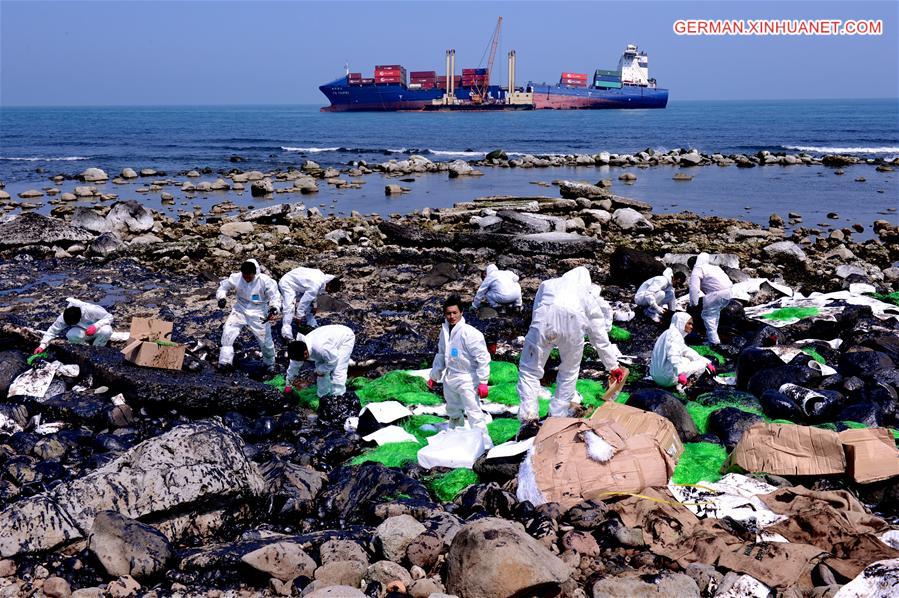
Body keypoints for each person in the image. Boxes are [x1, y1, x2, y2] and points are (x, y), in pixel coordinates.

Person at [517, 267, 626, 425]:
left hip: (543, 322)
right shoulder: (587, 297)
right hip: (573, 327)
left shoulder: (548, 284)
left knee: (529, 370)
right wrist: (613, 366)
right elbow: (599, 335)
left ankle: (528, 417)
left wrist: (538, 338)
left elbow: (536, 310)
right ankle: (556, 417)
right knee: (568, 372)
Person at [428, 294, 492, 445]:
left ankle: (484, 444)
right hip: (450, 378)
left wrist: (483, 381)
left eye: (454, 313)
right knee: (453, 411)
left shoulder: (470, 333)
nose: (451, 316)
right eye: (448, 313)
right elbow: (441, 354)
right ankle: (456, 440)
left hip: (467, 379)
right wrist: (434, 376)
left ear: (461, 312)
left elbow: (483, 357)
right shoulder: (444, 332)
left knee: (474, 412)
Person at [216, 259, 281, 371]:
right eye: (244, 276)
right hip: (240, 309)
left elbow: (275, 296)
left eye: (249, 277)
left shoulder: (265, 281)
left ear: (254, 273)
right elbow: (223, 287)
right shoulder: (236, 278)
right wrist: (221, 297)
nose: (246, 279)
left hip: (259, 311)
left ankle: (269, 364)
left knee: (265, 340)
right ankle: (224, 362)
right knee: (228, 332)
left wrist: (274, 307)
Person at [284, 324, 355, 398]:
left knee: (338, 370)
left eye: (302, 360)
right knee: (321, 373)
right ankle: (323, 395)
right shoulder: (297, 350)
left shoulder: (321, 348)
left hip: (344, 337)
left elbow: (333, 361)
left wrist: (320, 370)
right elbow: (293, 368)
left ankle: (338, 396)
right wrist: (288, 385)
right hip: (327, 341)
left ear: (305, 354)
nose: (301, 362)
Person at [650, 312, 715, 388]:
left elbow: (687, 351)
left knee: (686, 360)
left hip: (655, 376)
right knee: (701, 365)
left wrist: (707, 362)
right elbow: (673, 355)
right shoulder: (675, 335)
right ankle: (684, 387)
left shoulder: (668, 333)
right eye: (689, 323)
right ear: (681, 322)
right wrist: (681, 373)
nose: (691, 327)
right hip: (666, 379)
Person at [35, 298, 114, 353]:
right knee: (70, 335)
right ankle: (86, 348)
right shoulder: (65, 316)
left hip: (98, 330)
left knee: (107, 331)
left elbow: (109, 317)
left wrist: (96, 326)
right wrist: (42, 345)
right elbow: (52, 331)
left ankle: (98, 348)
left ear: (79, 319)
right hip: (83, 333)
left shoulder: (91, 310)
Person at [279, 267, 338, 339]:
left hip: (300, 285)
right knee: (289, 307)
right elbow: (304, 302)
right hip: (287, 283)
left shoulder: (322, 280)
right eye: (329, 291)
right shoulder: (316, 284)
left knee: (310, 306)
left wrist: (314, 305)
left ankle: (312, 325)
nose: (328, 292)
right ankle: (286, 334)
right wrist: (299, 316)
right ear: (329, 285)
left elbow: (312, 294)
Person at [689, 253, 733, 345]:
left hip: (716, 294)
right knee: (715, 315)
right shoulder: (713, 267)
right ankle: (715, 336)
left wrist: (693, 303)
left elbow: (694, 288)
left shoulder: (697, 269)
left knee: (708, 316)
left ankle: (714, 342)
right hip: (728, 292)